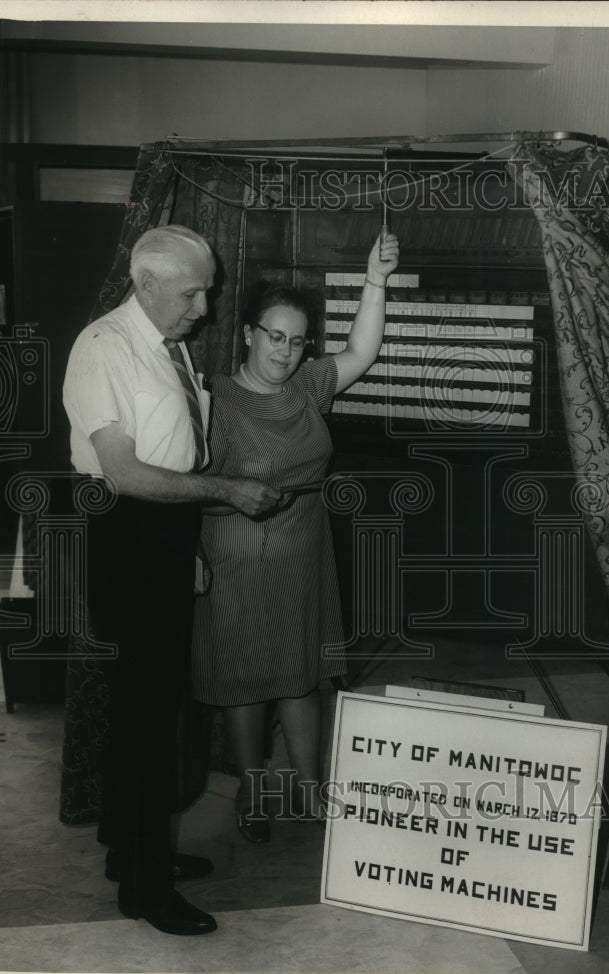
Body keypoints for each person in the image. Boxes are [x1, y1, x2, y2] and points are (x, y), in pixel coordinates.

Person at [62, 224, 281, 935]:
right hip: (128, 532)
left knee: (150, 710)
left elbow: (171, 453)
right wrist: (227, 492)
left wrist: (185, 540)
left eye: (209, 290)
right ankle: (148, 889)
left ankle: (133, 857)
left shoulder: (168, 345)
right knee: (148, 716)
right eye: (193, 292)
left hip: (162, 533)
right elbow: (123, 473)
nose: (205, 307)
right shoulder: (104, 348)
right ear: (148, 283)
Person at [191, 231, 399, 843]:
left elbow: (364, 348)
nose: (285, 351)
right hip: (239, 554)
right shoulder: (213, 399)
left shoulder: (308, 386)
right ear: (250, 332)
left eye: (298, 340)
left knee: (303, 672)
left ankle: (310, 790)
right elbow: (183, 479)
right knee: (246, 678)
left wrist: (375, 281)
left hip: (306, 549)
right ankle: (254, 792)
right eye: (275, 336)